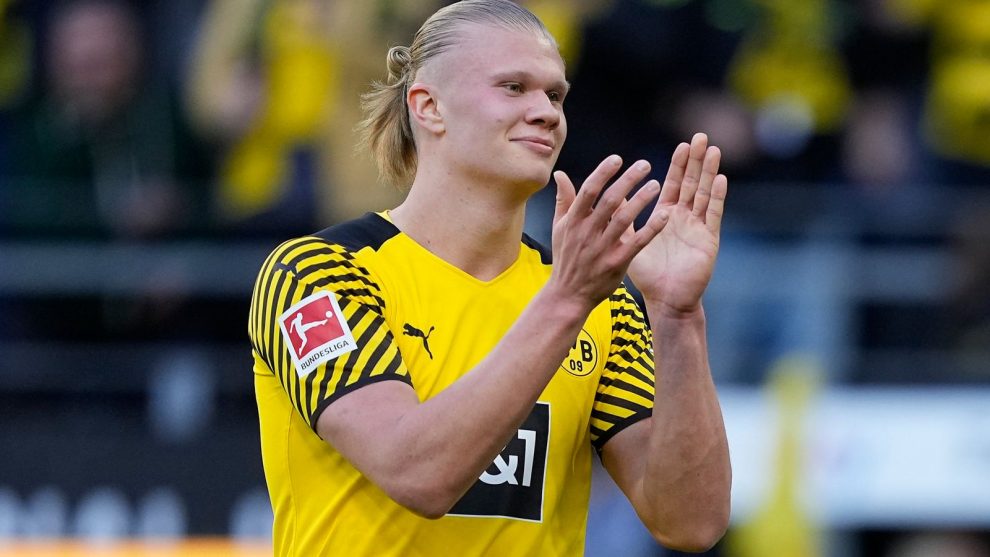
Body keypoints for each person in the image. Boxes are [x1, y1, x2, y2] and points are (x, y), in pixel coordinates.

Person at [248, 1, 731, 555]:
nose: (546, 112)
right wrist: (567, 300)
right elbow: (418, 474)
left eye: (555, 95)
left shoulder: (602, 303)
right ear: (429, 107)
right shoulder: (320, 272)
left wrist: (676, 316)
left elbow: (690, 523)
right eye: (513, 87)